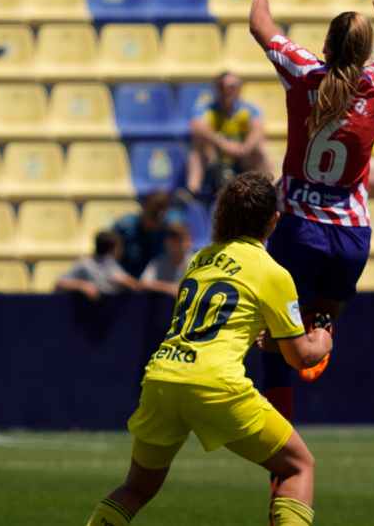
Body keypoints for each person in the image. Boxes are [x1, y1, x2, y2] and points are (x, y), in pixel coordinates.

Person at [240, 0, 374, 507]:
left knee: (273, 349)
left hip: (298, 230)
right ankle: (321, 337)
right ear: (362, 52)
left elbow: (261, 27)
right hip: (351, 237)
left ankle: (279, 467)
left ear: (326, 45)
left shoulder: (305, 75)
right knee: (317, 324)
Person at [83, 172, 331, 526]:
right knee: (298, 466)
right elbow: (300, 356)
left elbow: (217, 320)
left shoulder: (199, 260)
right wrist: (322, 338)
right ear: (274, 220)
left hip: (162, 377)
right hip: (215, 385)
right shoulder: (272, 271)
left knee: (137, 487)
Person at [187, 71, 271, 199]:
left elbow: (258, 129)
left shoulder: (248, 110)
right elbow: (196, 126)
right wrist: (223, 144)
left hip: (242, 160)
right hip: (215, 160)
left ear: (239, 89)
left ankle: (270, 190)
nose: (227, 90)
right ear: (216, 89)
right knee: (198, 144)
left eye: (232, 86)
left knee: (261, 146)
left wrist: (246, 147)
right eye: (222, 86)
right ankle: (193, 191)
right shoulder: (207, 109)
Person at [115, 191, 185, 279]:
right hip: (126, 282)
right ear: (143, 208)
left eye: (160, 216)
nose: (154, 219)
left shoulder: (173, 228)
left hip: (161, 282)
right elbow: (108, 258)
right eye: (151, 214)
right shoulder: (124, 228)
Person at [55, 231, 138, 300]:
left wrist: (124, 281)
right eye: (119, 248)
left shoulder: (112, 265)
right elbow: (59, 284)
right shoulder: (85, 264)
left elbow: (136, 287)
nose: (121, 252)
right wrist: (83, 286)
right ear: (110, 249)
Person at [139, 222, 193, 297]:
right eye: (173, 240)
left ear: (188, 242)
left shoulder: (196, 263)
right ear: (166, 242)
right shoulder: (158, 262)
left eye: (180, 240)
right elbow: (143, 283)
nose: (176, 245)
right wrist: (171, 289)